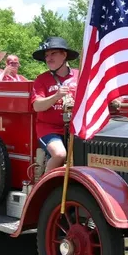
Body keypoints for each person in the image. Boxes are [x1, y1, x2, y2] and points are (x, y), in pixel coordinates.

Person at [30, 36, 79, 172]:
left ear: (64, 55)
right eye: (46, 55)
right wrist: (56, 96)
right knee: (59, 154)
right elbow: (37, 106)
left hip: (75, 129)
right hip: (49, 129)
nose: (49, 58)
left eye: (53, 53)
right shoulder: (41, 80)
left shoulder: (79, 76)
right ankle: (44, 188)